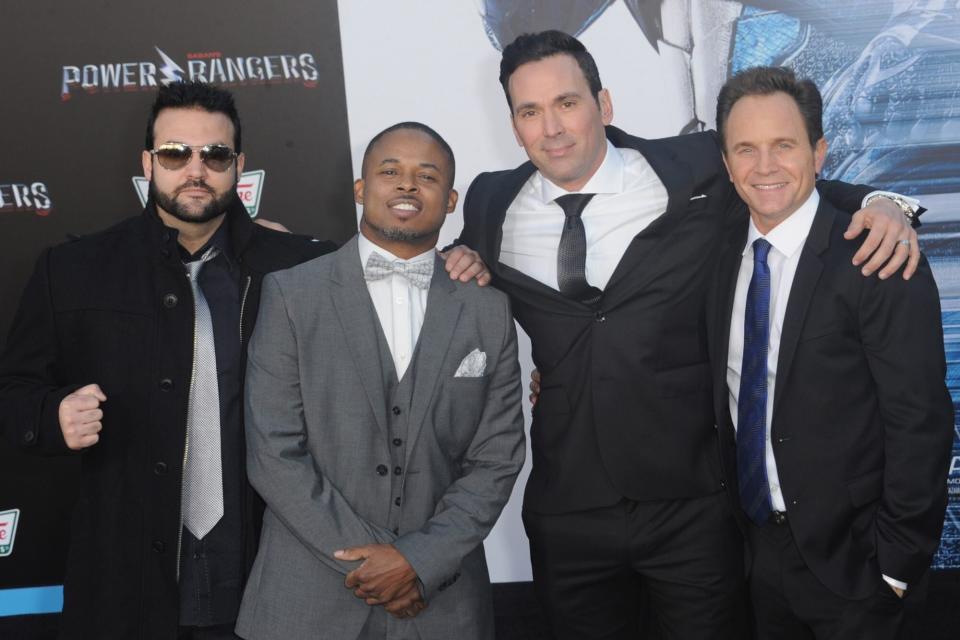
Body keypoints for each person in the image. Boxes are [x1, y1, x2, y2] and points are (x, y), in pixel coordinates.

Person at [457, 30, 922, 639]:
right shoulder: (490, 201)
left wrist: (885, 201)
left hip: (694, 506)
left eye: (567, 102)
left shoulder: (696, 163)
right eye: (530, 111)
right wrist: (457, 257)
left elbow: (784, 183)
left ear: (605, 103)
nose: (552, 127)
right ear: (514, 125)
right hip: (569, 512)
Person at [235, 122, 525, 640]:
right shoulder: (290, 296)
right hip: (306, 604)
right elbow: (273, 451)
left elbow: (497, 458)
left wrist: (417, 561)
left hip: (441, 604)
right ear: (361, 189)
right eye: (390, 171)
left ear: (452, 198)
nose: (407, 185)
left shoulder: (488, 311)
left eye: (427, 176)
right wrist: (373, 564)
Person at [707, 65, 953, 640]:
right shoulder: (718, 252)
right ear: (725, 163)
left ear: (819, 153)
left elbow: (922, 424)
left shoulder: (878, 260)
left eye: (783, 146)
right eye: (746, 149)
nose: (764, 166)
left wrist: (894, 566)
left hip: (859, 571)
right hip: (757, 559)